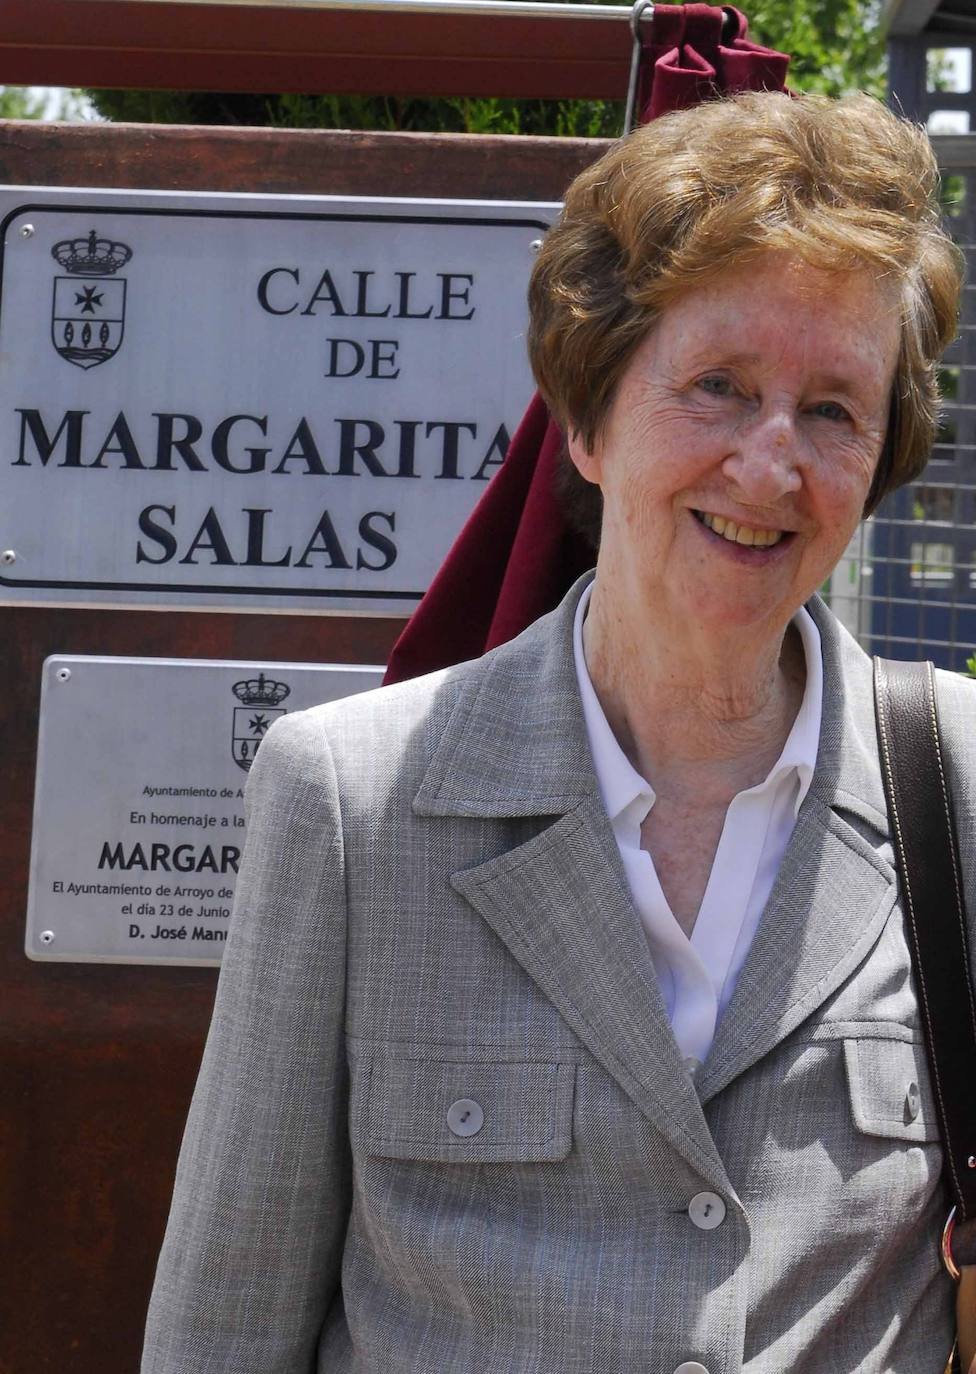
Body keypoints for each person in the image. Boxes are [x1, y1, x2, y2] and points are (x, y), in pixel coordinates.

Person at [142, 90, 973, 1373]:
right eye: (717, 387)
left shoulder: (956, 790)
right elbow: (224, 1325)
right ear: (585, 421)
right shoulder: (354, 800)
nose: (769, 467)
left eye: (831, 410)